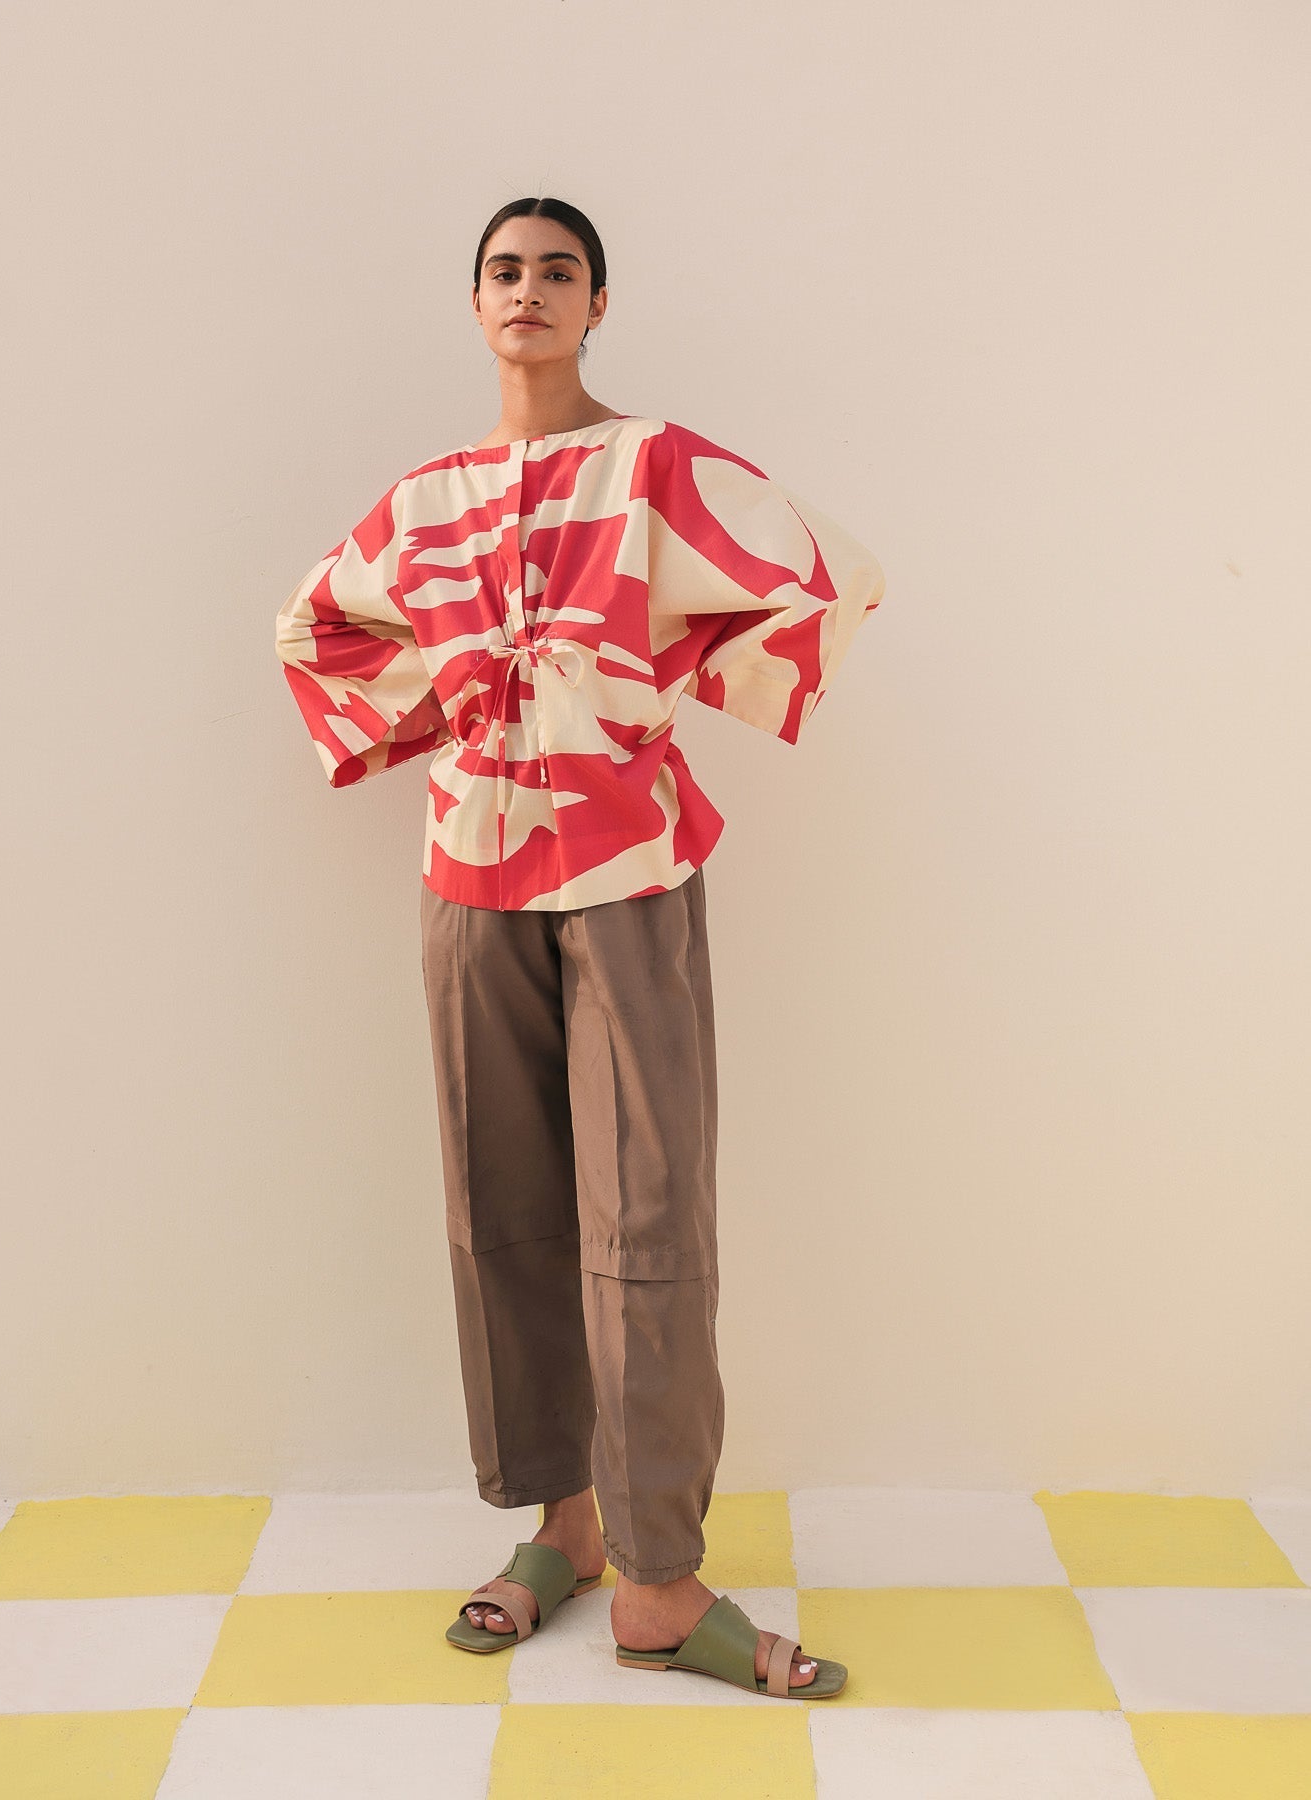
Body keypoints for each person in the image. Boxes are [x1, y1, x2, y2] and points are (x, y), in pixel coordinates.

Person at [274, 196, 884, 1700]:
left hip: (627, 867)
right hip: (467, 874)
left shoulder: (652, 464)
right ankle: (566, 1526)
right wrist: (449, 698)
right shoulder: (424, 500)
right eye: (505, 270)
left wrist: (640, 678)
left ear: (598, 303)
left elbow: (824, 573)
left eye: (559, 271)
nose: (529, 290)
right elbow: (311, 631)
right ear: (475, 301)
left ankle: (663, 1579)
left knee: (648, 1221)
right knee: (502, 1211)